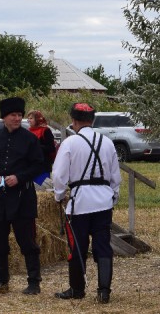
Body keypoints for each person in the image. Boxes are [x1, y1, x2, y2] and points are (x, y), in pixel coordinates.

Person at [53, 102, 121, 303]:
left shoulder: (70, 143)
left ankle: (77, 289)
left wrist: (59, 195)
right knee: (103, 245)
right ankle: (104, 291)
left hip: (80, 202)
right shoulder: (107, 142)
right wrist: (113, 197)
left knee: (77, 245)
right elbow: (115, 176)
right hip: (103, 202)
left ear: (74, 121)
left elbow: (59, 175)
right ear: (92, 120)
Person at [0, 97, 45, 295]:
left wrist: (19, 177)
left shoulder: (30, 140)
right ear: (4, 117)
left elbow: (39, 166)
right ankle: (1, 281)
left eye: (19, 115)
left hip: (22, 198)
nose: (17, 118)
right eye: (13, 115)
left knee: (27, 241)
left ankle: (34, 282)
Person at [27, 110, 58, 187]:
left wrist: (37, 147)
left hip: (43, 166)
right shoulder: (29, 131)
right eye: (28, 118)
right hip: (31, 166)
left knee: (42, 188)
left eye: (31, 118)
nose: (29, 120)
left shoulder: (45, 131)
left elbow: (51, 148)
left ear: (37, 119)